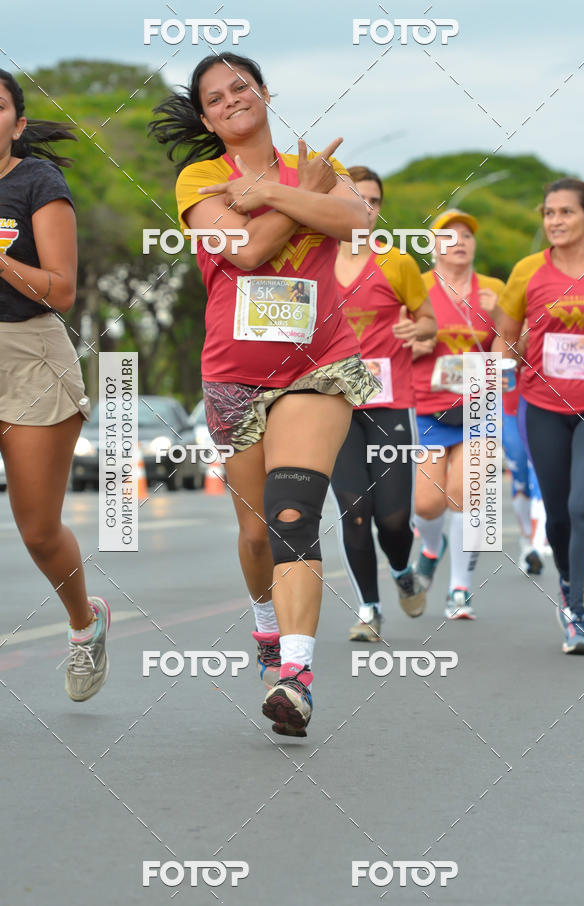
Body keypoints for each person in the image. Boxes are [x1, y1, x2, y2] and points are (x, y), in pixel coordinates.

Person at [150, 53, 381, 736]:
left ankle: (297, 678)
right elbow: (244, 252)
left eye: (240, 88)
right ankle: (264, 625)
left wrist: (279, 192)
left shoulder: (318, 165)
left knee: (291, 514)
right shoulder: (200, 179)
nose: (231, 101)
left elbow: (355, 223)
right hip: (234, 373)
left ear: (264, 93)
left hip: (321, 365)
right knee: (254, 533)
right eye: (215, 98)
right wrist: (296, 197)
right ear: (205, 117)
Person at [0, 70, 110, 700]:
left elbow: (62, 291)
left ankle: (84, 623)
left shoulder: (37, 183)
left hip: (28, 355)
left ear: (17, 124)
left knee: (38, 529)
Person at [330, 166, 437, 641]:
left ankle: (402, 569)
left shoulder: (397, 262)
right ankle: (369, 610)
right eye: (354, 198)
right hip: (330, 405)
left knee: (393, 518)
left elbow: (427, 320)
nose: (364, 208)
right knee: (354, 508)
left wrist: (419, 330)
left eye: (372, 201)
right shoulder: (310, 262)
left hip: (390, 402)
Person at [495, 178, 584, 654]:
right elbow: (507, 336)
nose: (555, 221)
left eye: (566, 213)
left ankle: (580, 610)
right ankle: (567, 582)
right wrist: (498, 369)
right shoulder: (527, 272)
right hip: (541, 404)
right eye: (549, 213)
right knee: (557, 516)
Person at [411, 209, 504, 619]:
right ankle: (432, 547)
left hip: (478, 406)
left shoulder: (494, 290)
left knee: (467, 496)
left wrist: (499, 316)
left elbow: (514, 344)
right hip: (428, 407)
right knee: (428, 504)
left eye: (467, 234)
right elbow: (396, 340)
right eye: (449, 236)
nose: (460, 241)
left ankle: (459, 590)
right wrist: (415, 345)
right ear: (433, 247)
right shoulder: (416, 289)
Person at [502, 325, 547, 575]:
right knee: (520, 479)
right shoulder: (511, 313)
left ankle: (536, 547)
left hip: (544, 407)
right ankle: (527, 539)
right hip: (511, 407)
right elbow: (505, 359)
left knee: (540, 473)